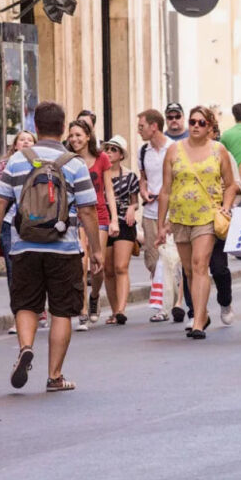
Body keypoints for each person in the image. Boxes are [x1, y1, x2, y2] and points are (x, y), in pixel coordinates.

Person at [0, 101, 103, 393]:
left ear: (35, 127)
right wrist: (97, 250)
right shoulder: (74, 163)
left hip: (24, 246)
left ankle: (26, 347)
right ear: (63, 128)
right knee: (62, 310)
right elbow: (88, 210)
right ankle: (54, 376)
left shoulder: (17, 160)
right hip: (63, 248)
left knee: (26, 304)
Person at [156, 106, 237, 339]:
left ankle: (198, 321)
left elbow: (231, 184)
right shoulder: (174, 150)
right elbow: (165, 190)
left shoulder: (218, 150)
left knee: (200, 263)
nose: (196, 126)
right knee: (189, 270)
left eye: (202, 122)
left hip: (207, 216)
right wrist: (161, 225)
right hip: (180, 217)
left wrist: (226, 206)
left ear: (209, 126)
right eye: (193, 121)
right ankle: (203, 312)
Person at [67, 118, 119, 330]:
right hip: (75, 214)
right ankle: (82, 311)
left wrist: (114, 219)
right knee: (81, 263)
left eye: (78, 135)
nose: (74, 139)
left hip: (99, 214)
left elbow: (109, 190)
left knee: (98, 266)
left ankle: (95, 295)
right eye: (71, 135)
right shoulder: (68, 159)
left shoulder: (102, 158)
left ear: (88, 136)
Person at [137, 109, 184, 322]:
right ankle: (165, 299)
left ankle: (173, 304)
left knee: (173, 259)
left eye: (141, 126)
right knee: (153, 260)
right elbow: (143, 177)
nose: (139, 131)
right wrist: (143, 190)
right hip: (150, 211)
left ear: (154, 126)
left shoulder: (174, 148)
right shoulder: (143, 151)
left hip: (172, 211)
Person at [0, 131, 37, 288]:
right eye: (22, 139)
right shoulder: (5, 164)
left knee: (33, 267)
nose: (26, 142)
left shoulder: (40, 164)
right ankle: (16, 301)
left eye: (30, 140)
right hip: (9, 222)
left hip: (34, 221)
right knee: (13, 267)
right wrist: (6, 193)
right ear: (15, 145)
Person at [103, 135, 139, 325]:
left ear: (121, 155)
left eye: (114, 150)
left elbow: (135, 201)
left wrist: (132, 208)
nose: (109, 152)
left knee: (121, 267)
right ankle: (113, 310)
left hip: (125, 222)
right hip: (104, 221)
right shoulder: (100, 174)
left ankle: (121, 310)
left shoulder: (130, 176)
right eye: (107, 149)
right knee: (108, 270)